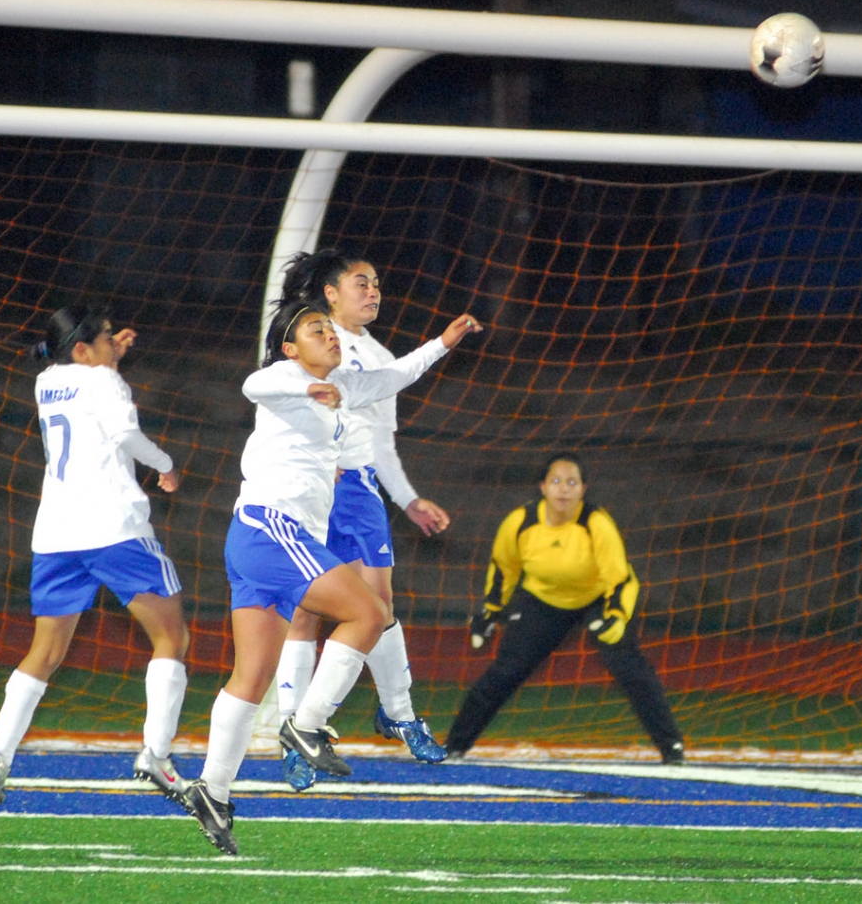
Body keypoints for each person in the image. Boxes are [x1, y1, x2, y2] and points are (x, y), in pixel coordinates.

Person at [182, 299, 481, 854]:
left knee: (250, 678)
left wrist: (444, 342)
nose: (330, 334)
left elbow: (395, 375)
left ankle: (213, 789)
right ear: (293, 347)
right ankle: (308, 723)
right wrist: (305, 388)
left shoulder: (342, 384)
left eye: (329, 327)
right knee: (370, 612)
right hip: (274, 530)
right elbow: (253, 385)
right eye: (316, 329)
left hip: (253, 539)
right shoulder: (285, 375)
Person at [0, 306, 190, 807]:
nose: (116, 343)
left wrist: (109, 352)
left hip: (55, 532)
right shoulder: (105, 384)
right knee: (172, 635)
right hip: (113, 526)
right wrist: (166, 465)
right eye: (109, 338)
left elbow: (85, 378)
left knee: (45, 652)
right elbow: (125, 436)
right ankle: (156, 754)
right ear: (82, 349)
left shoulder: (47, 380)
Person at [273, 249, 452, 793]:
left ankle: (397, 712)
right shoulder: (310, 343)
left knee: (379, 607)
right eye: (360, 283)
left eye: (376, 284)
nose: (372, 292)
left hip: (360, 491)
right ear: (329, 293)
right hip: (315, 490)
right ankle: (297, 735)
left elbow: (381, 446)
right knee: (305, 615)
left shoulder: (380, 357)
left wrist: (409, 501)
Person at [445, 454, 684, 764]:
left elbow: (620, 579)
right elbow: (504, 569)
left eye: (572, 482)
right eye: (556, 481)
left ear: (583, 489)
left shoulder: (596, 523)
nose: (564, 489)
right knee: (506, 671)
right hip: (542, 602)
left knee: (629, 668)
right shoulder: (520, 522)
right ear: (543, 487)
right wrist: (490, 611)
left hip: (598, 600)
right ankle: (453, 747)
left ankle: (672, 749)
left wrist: (617, 617)